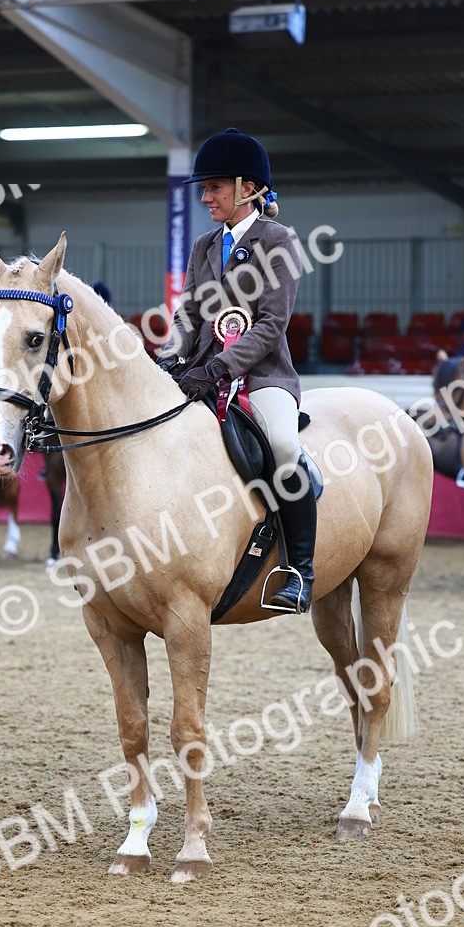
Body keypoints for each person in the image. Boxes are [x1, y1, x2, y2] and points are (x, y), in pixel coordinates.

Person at [156, 127, 312, 614]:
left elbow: (272, 324)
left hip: (262, 375)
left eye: (214, 187)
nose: (205, 197)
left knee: (284, 446)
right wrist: (168, 357)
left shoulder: (278, 240)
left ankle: (299, 570)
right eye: (204, 189)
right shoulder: (204, 245)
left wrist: (223, 366)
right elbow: (188, 313)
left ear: (248, 188)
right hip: (201, 373)